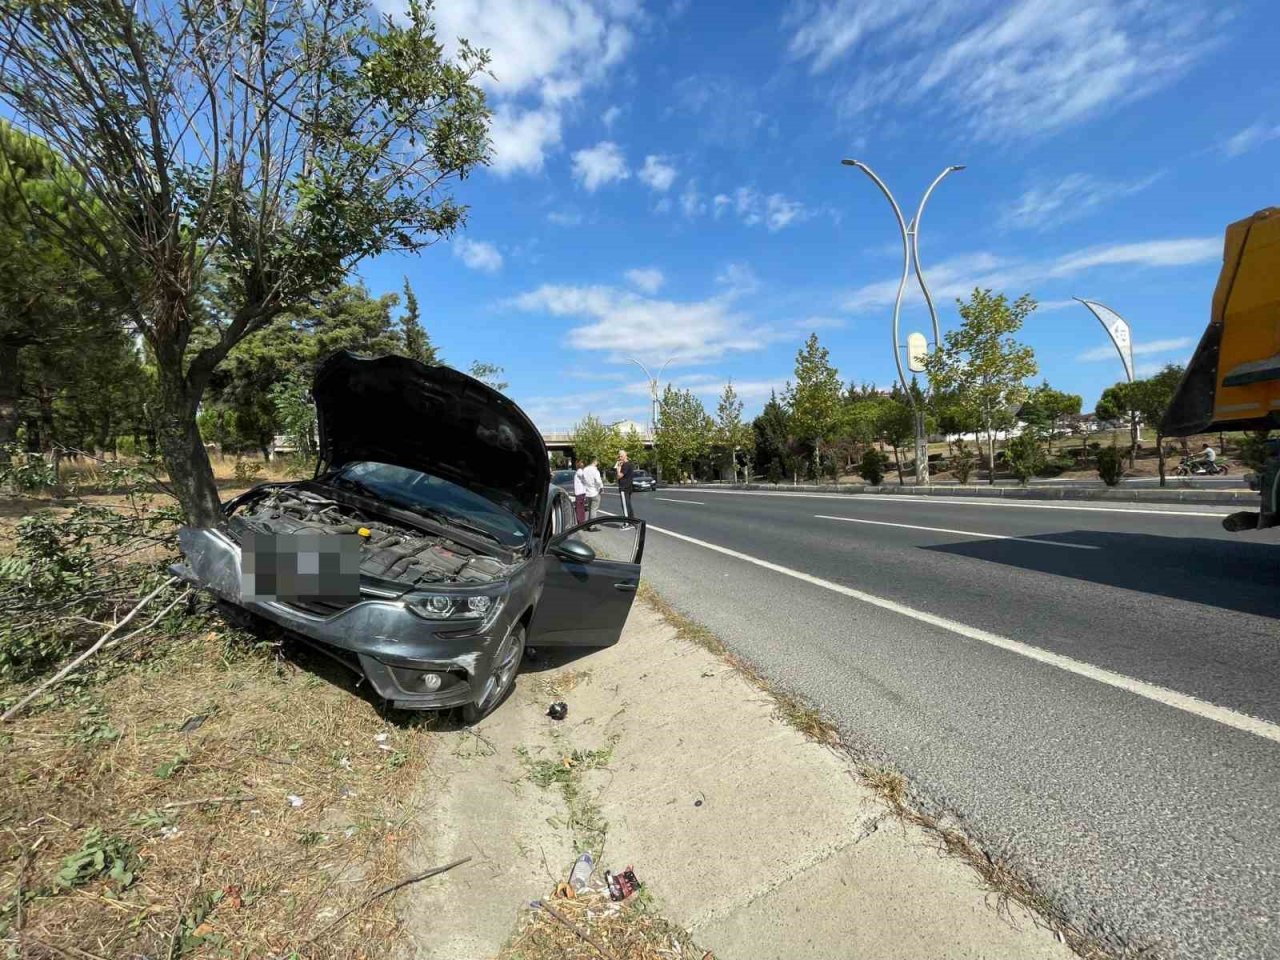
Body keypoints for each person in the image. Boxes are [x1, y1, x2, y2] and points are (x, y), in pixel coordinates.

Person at [615, 449, 636, 519]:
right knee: (628, 504)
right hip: (628, 487)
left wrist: (618, 468)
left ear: (625, 456)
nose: (620, 458)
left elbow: (619, 476)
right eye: (619, 456)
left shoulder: (625, 465)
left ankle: (627, 522)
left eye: (621, 456)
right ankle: (632, 519)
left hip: (624, 487)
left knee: (625, 505)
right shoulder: (630, 464)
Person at [572, 459, 587, 525]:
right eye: (581, 463)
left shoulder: (579, 471)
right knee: (581, 508)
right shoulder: (580, 471)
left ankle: (580, 522)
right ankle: (582, 521)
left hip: (579, 493)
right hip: (582, 492)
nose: (582, 464)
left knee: (579, 508)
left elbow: (584, 477)